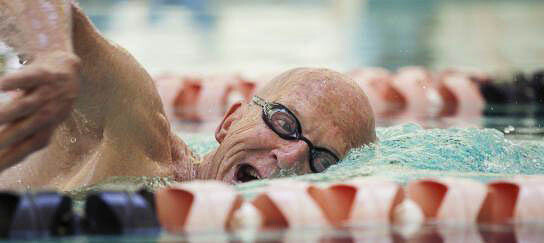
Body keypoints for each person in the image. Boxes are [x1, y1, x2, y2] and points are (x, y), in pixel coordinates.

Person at [0, 1, 376, 190]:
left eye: (322, 161)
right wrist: (50, 50)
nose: (292, 154)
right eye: (284, 123)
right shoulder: (134, 124)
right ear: (229, 122)